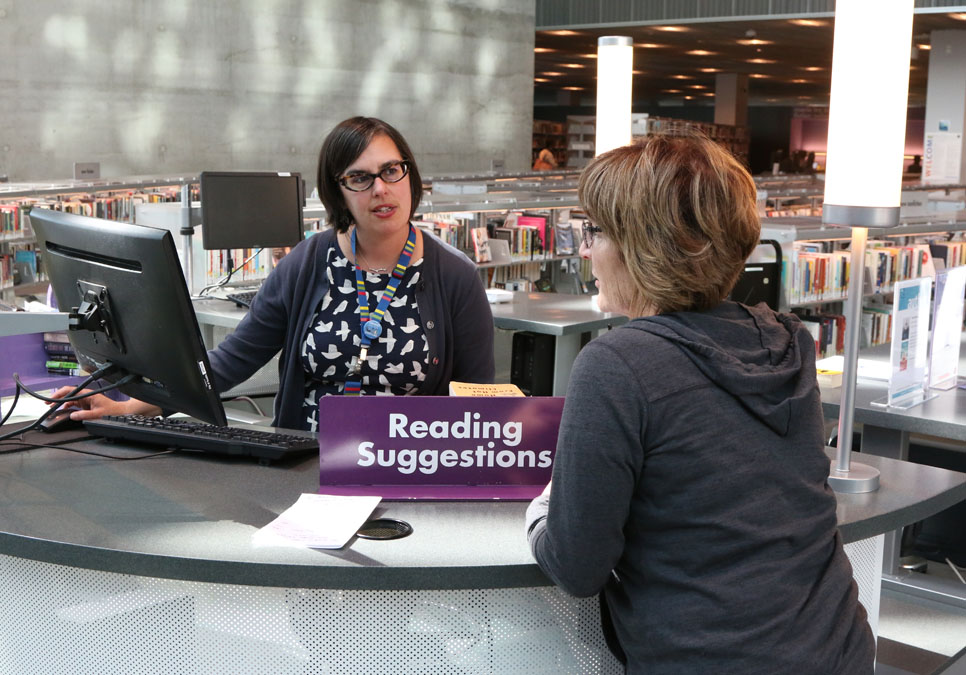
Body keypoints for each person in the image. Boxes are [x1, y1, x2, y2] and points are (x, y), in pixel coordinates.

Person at [525, 133, 875, 674]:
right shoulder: (788, 341)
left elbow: (576, 565)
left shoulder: (618, 364)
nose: (585, 250)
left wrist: (543, 508)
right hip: (837, 647)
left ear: (647, 244)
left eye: (597, 232)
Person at [53, 117, 495, 431]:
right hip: (310, 462)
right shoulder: (305, 264)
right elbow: (230, 362)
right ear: (338, 193)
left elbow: (479, 399)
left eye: (391, 171)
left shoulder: (455, 277)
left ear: (409, 175)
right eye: (359, 178)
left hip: (411, 465)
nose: (381, 188)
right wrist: (133, 407)